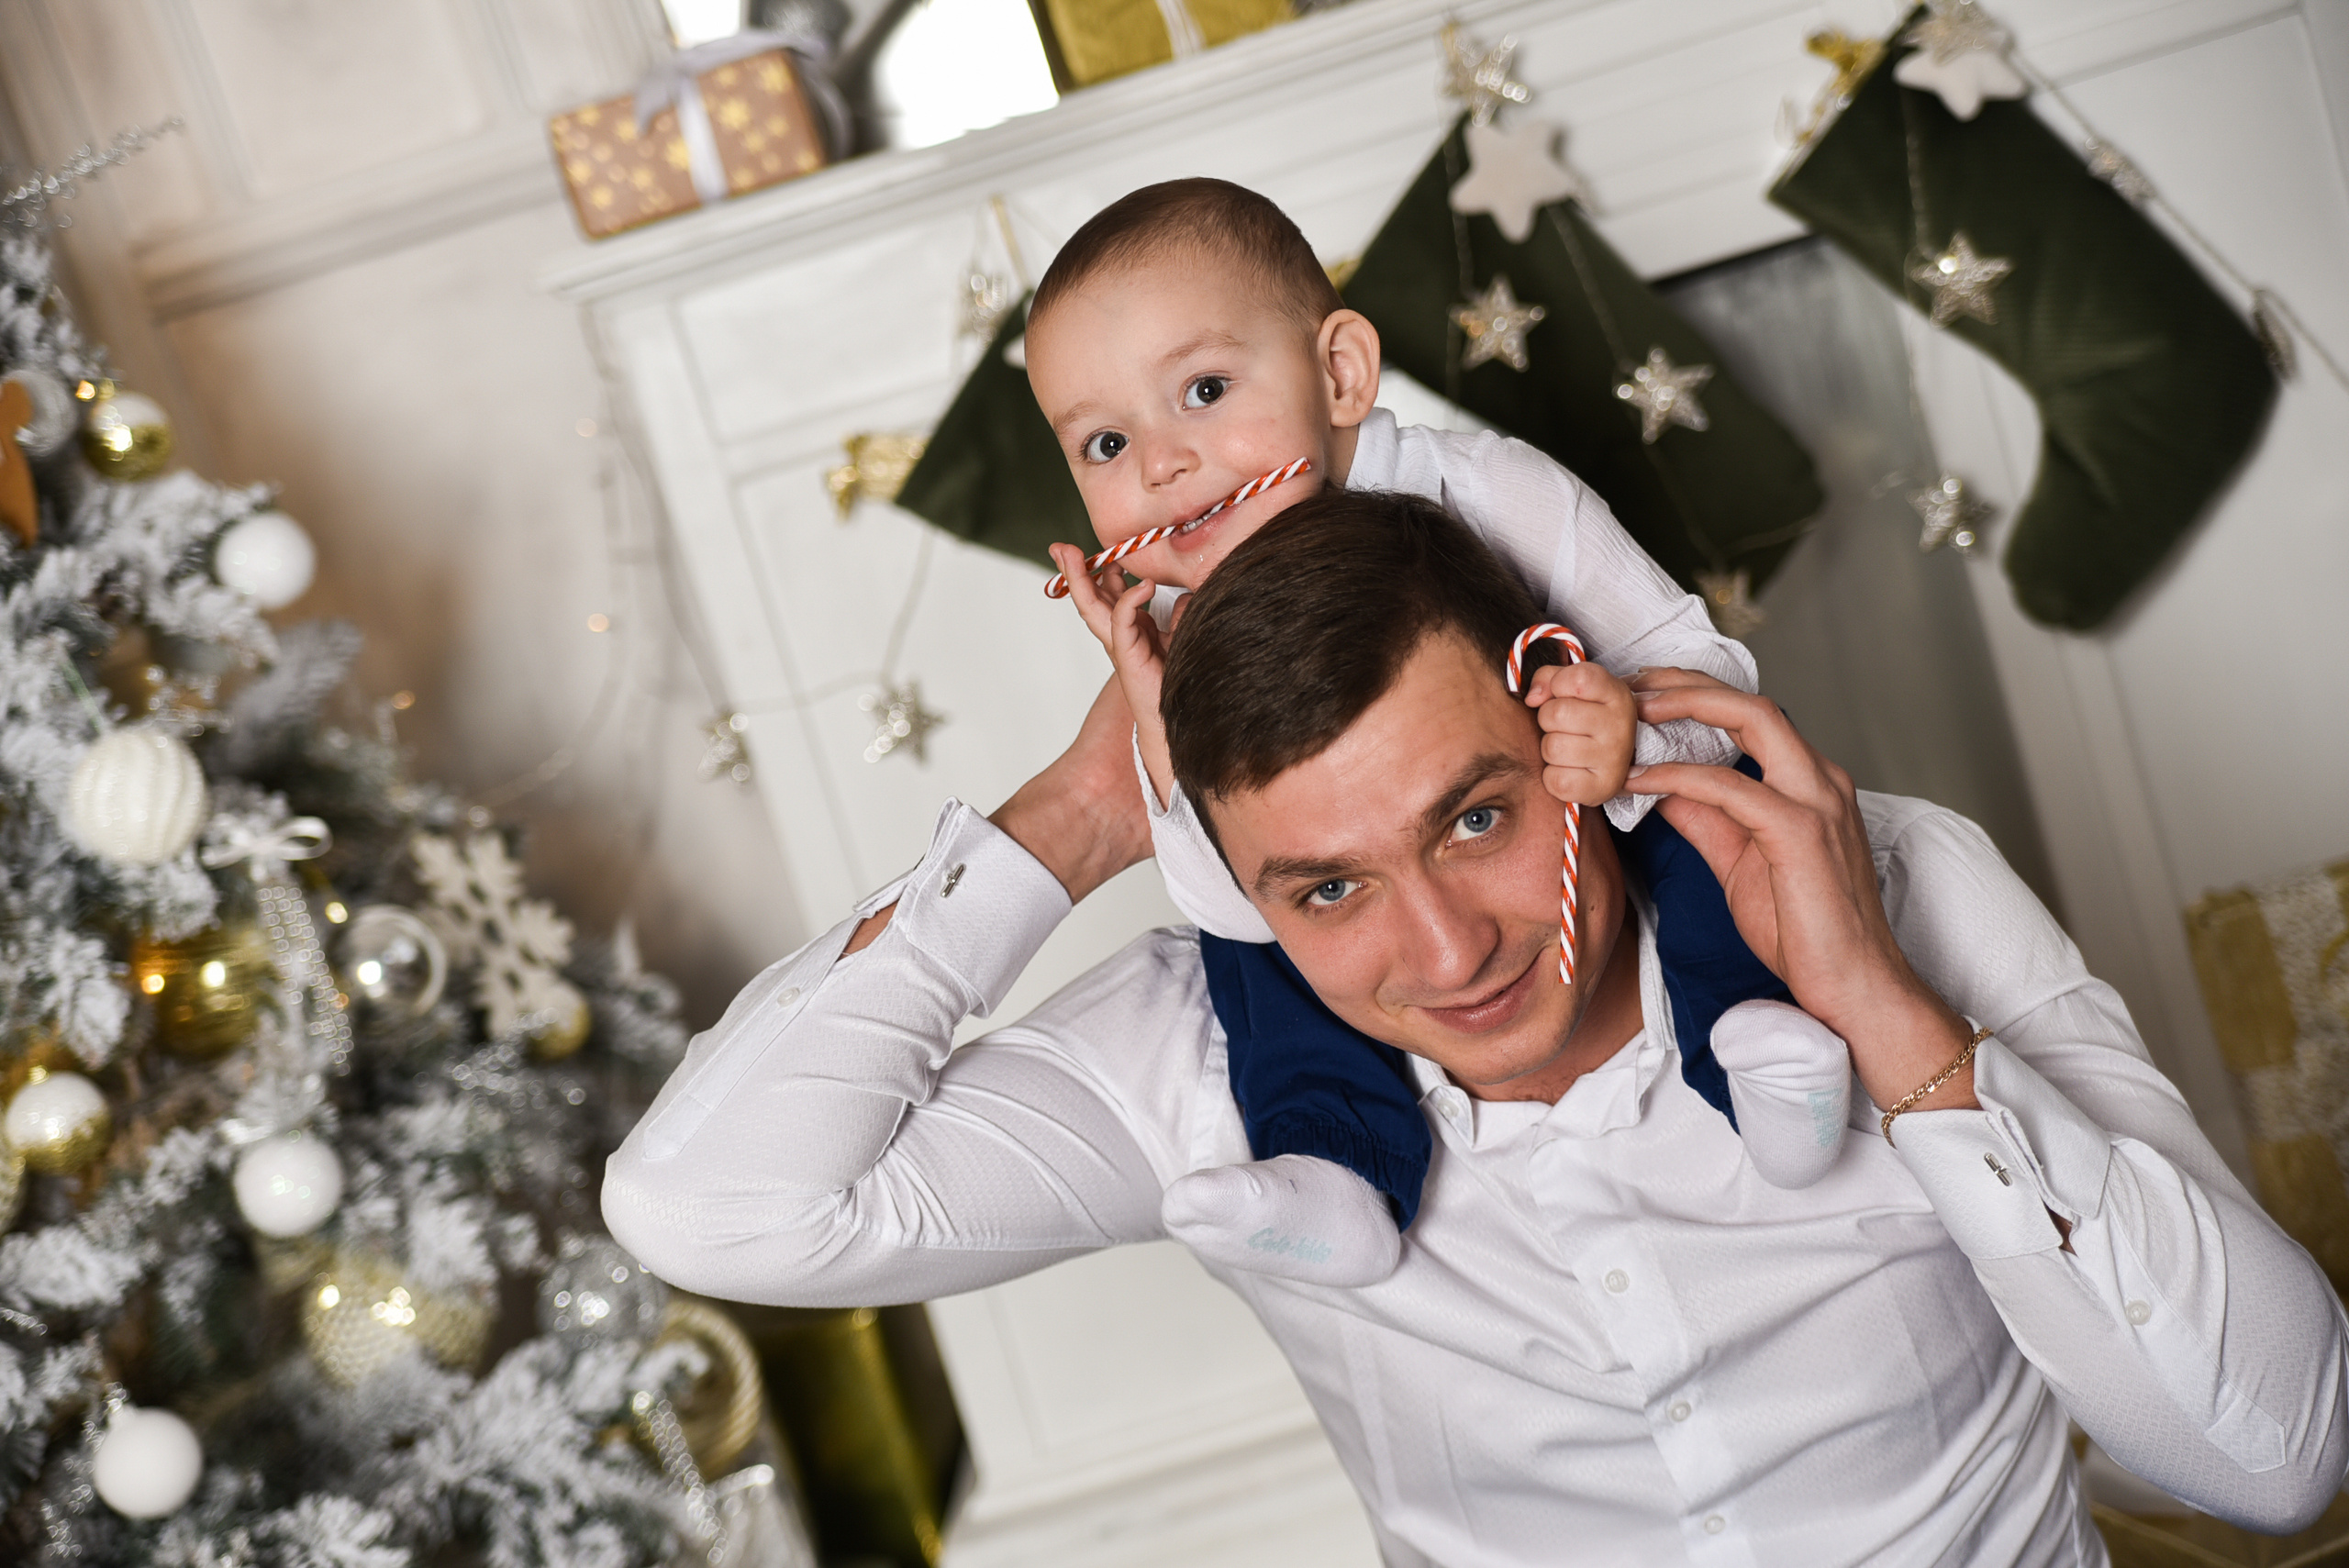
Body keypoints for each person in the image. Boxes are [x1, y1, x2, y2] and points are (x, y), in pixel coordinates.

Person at [604, 492, 2349, 1565]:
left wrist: (1893, 1016)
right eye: (1324, 886)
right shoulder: (1195, 1052)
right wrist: (1080, 807)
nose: (1445, 951)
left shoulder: (1886, 883)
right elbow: (707, 1203)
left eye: (1472, 817)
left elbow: (2274, 1459)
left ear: (1567, 720)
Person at [1026, 177, 1849, 1285]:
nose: (1161, 466)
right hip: (1345, 900)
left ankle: (1758, 1048)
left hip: (1597, 798)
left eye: (1206, 389)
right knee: (1263, 965)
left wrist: (1627, 738)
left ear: (1339, 374)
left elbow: (1707, 669)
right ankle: (1339, 1168)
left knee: (1707, 848)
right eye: (1104, 445)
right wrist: (1150, 706)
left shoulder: (1496, 490)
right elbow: (1236, 900)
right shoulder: (1174, 629)